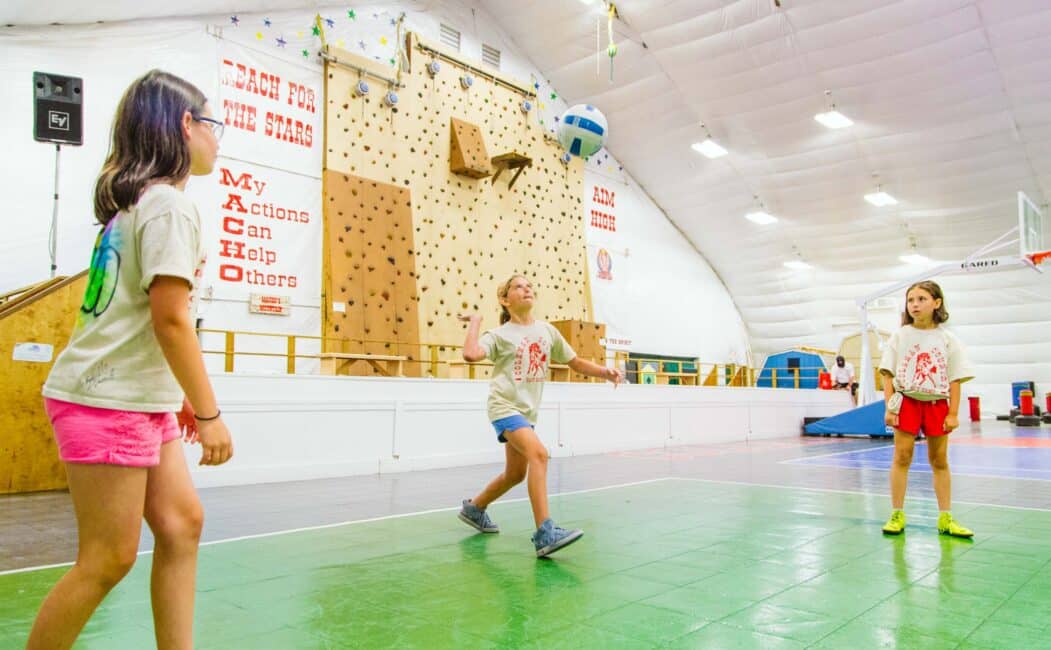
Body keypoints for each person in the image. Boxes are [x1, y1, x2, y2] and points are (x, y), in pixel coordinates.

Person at [27, 70, 233, 650]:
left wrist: (182, 397)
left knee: (181, 523)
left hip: (136, 398)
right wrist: (210, 412)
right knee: (107, 558)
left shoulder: (137, 207)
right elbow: (171, 318)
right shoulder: (168, 205)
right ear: (186, 125)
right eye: (213, 125)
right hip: (106, 400)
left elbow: (146, 318)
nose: (218, 139)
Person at [456, 275, 623, 557]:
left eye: (530, 286)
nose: (527, 289)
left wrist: (604, 372)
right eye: (518, 286)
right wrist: (475, 322)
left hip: (527, 412)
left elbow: (575, 362)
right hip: (504, 407)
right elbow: (471, 354)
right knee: (540, 454)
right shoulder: (498, 336)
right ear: (505, 300)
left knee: (515, 474)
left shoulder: (546, 331)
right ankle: (544, 532)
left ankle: (475, 508)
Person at [878, 280, 974, 538]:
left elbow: (955, 378)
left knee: (939, 460)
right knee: (902, 457)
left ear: (937, 303)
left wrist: (953, 413)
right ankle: (897, 513)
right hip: (906, 402)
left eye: (921, 299)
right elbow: (887, 375)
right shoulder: (900, 336)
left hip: (937, 405)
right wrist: (890, 407)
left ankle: (946, 518)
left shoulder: (948, 339)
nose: (915, 305)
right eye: (911, 300)